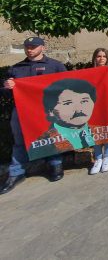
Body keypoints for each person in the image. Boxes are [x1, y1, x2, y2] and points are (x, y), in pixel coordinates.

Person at [1, 37, 67, 195]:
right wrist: (6, 86)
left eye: (33, 46)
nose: (29, 49)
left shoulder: (55, 66)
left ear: (43, 48)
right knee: (20, 141)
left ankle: (55, 164)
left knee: (51, 137)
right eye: (27, 47)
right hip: (22, 111)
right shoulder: (16, 68)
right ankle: (16, 173)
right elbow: (5, 92)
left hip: (48, 111)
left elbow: (67, 85)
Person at [31, 78, 97, 159]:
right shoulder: (43, 142)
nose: (78, 109)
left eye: (84, 101)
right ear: (50, 111)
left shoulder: (101, 131)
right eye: (68, 103)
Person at [89, 48, 108, 175]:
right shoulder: (89, 72)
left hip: (107, 105)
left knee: (107, 130)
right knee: (95, 132)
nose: (101, 58)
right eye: (99, 56)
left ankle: (107, 157)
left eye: (104, 56)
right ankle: (98, 158)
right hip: (94, 107)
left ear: (107, 58)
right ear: (95, 58)